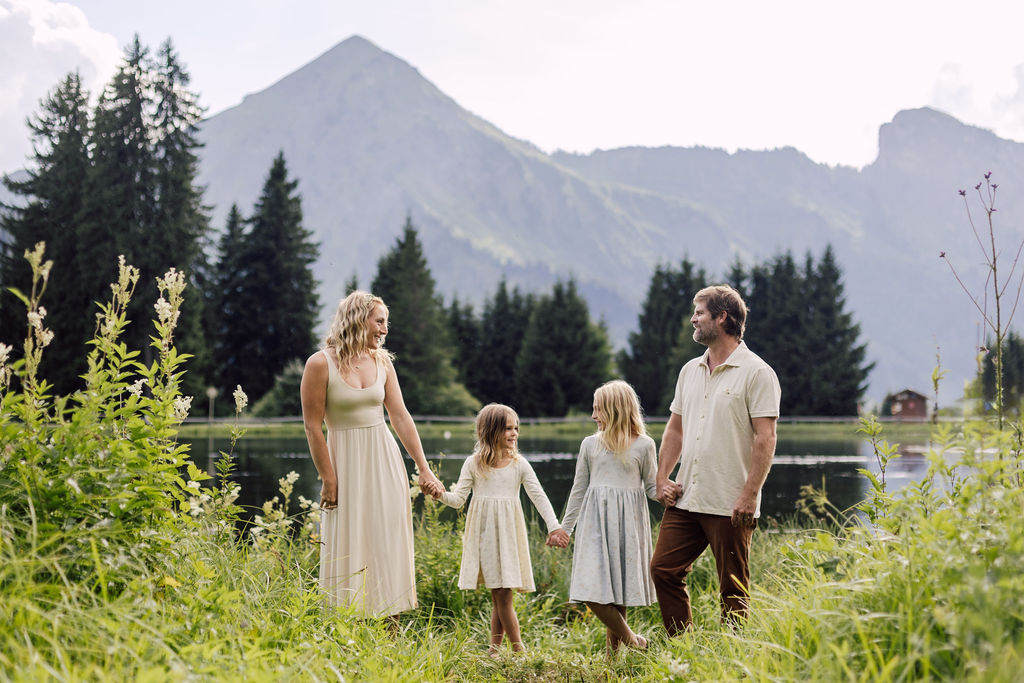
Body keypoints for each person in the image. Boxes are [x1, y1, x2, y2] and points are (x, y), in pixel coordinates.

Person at [300, 290, 444, 618]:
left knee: (387, 539)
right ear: (358, 319)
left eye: (386, 323)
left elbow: (401, 417)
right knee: (348, 540)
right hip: (344, 465)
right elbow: (312, 427)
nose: (385, 329)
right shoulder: (320, 364)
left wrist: (424, 469)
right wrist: (328, 479)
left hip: (385, 461)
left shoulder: (383, 363)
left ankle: (390, 632)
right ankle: (345, 624)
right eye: (379, 321)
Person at [650, 284, 781, 636]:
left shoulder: (757, 372)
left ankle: (731, 657)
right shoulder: (689, 370)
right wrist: (662, 478)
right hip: (686, 496)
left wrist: (750, 494)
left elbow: (765, 438)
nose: (693, 319)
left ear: (722, 317)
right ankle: (683, 647)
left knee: (733, 589)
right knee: (663, 570)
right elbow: (675, 431)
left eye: (700, 312)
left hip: (731, 501)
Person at [432, 403, 569, 655]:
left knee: (502, 594)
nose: (514, 433)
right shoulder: (474, 464)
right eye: (508, 428)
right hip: (485, 537)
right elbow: (458, 499)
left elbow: (539, 496)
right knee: (500, 594)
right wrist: (439, 494)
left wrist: (554, 527)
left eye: (516, 427)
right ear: (490, 431)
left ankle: (511, 649)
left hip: (509, 536)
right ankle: (505, 650)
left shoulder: (520, 465)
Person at [552, 379, 658, 654]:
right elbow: (579, 488)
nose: (593, 415)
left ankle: (612, 664)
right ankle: (635, 642)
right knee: (591, 592)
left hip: (628, 525)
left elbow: (653, 488)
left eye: (598, 409)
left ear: (615, 410)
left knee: (617, 593)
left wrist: (676, 491)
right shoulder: (590, 445)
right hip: (595, 524)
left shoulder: (644, 445)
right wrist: (566, 528)